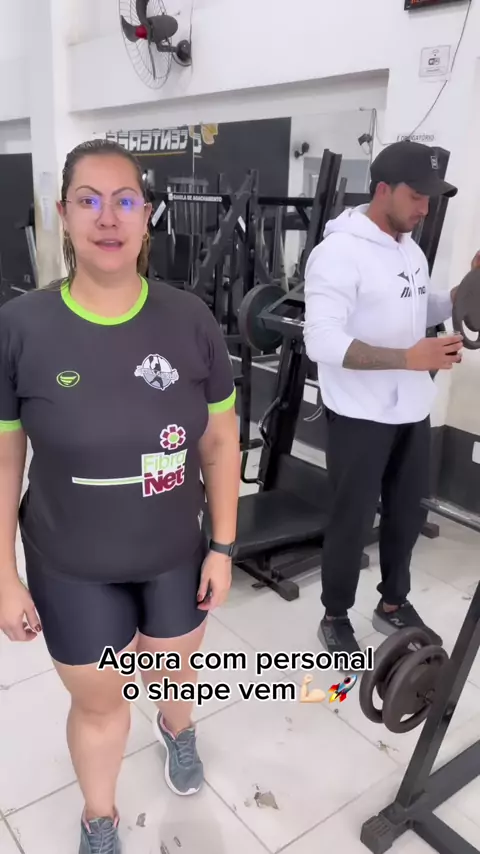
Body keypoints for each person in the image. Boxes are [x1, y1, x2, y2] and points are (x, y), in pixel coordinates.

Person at [0, 139, 240, 854]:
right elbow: (5, 457)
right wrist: (2, 574)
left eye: (125, 200)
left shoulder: (190, 320)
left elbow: (220, 443)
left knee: (174, 670)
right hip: (71, 563)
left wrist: (223, 546)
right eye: (89, 201)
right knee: (102, 702)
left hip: (174, 552)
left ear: (147, 214)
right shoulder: (21, 328)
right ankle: (99, 817)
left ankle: (175, 725)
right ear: (63, 214)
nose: (108, 218)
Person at [303, 139, 474, 658]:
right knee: (352, 522)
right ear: (383, 189)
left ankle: (393, 603)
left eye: (430, 199)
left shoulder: (410, 250)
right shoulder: (338, 253)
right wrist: (408, 357)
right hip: (359, 414)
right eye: (417, 197)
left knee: (406, 515)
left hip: (412, 409)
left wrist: (467, 289)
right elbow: (321, 341)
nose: (425, 209)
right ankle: (335, 615)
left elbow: (420, 308)